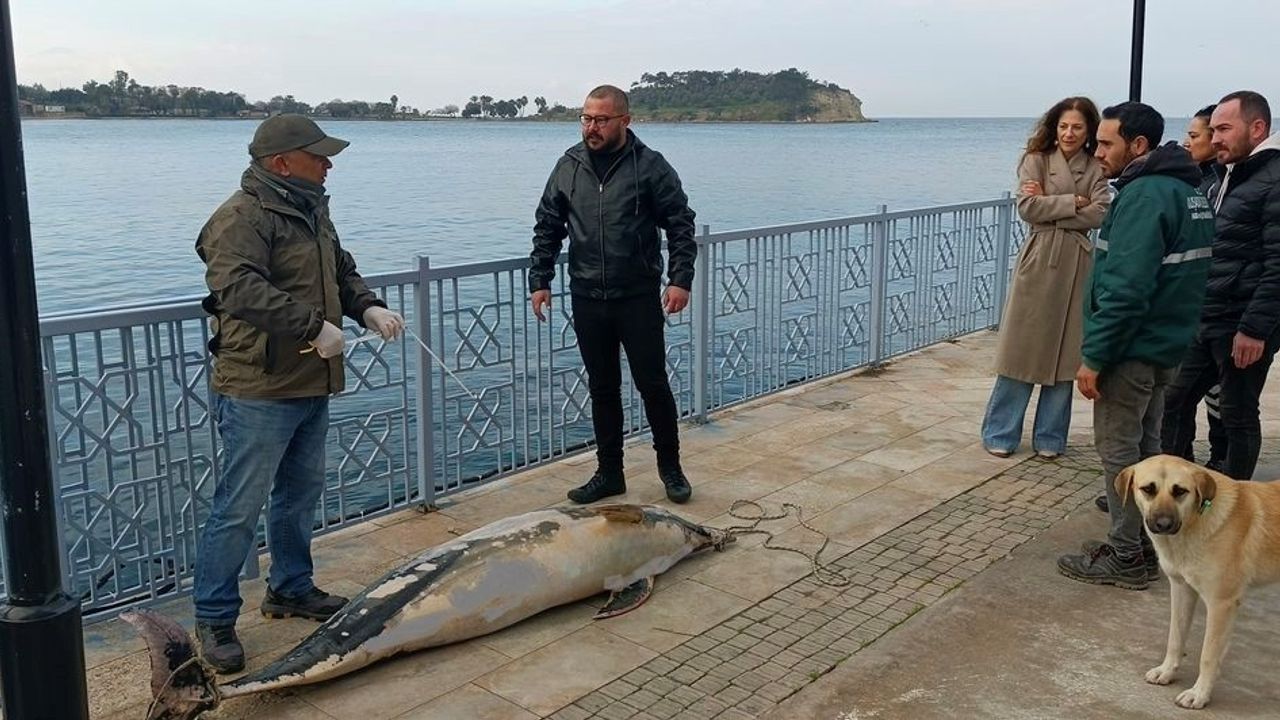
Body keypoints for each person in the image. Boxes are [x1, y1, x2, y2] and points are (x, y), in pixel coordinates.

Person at [193, 114, 405, 673]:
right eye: (319, 155)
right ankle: (214, 618)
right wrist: (312, 327)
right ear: (281, 162)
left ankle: (291, 587)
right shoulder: (239, 218)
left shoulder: (313, 210)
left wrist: (366, 307)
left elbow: (341, 271)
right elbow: (238, 288)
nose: (329, 164)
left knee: (298, 495)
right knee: (237, 506)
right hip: (259, 386)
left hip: (312, 380)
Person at [1057, 102, 1214, 590]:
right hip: (1167, 344)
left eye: (1106, 143)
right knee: (1149, 448)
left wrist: (1095, 357)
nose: (1097, 152)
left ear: (1138, 145)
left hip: (1132, 350)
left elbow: (1125, 290)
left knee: (1120, 454)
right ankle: (1148, 540)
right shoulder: (1190, 192)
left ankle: (1127, 555)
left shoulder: (1145, 197)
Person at [528, 85, 697, 505]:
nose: (592, 127)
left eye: (601, 119)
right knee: (602, 388)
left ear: (625, 120)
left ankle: (670, 469)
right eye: (586, 118)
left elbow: (680, 224)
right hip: (587, 296)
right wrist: (540, 279)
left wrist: (680, 279)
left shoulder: (651, 167)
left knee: (652, 385)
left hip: (637, 297)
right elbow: (548, 226)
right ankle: (609, 473)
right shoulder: (568, 166)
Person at [1160, 91, 1280, 481]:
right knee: (1174, 400)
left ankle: (1237, 504)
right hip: (1208, 315)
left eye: (1225, 129)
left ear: (1258, 128)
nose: (1215, 139)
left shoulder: (1274, 179)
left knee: (1236, 412)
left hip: (1243, 323)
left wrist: (1255, 329)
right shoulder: (1229, 175)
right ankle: (1173, 489)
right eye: (1212, 130)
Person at [981, 97, 1110, 459]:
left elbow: (1101, 214)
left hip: (1077, 262)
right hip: (1039, 259)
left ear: (1089, 131)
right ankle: (1000, 431)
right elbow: (1027, 208)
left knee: (1067, 353)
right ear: (1054, 127)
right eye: (1064, 126)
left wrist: (1055, 204)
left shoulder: (1096, 166)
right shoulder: (1035, 160)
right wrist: (1075, 201)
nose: (1069, 133)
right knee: (1020, 348)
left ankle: (1051, 438)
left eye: (1077, 127)